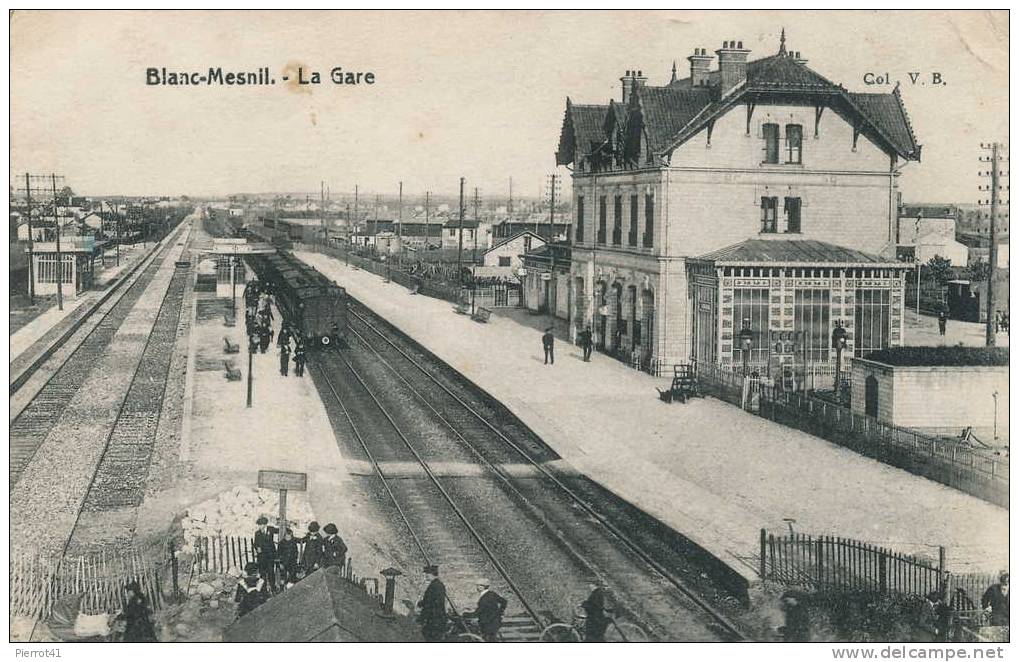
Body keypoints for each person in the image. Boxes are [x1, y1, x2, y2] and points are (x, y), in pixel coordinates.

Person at [417, 565, 448, 642]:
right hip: (438, 617)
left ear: (431, 574)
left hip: (434, 618)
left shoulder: (434, 586)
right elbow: (430, 600)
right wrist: (423, 603)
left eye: (427, 574)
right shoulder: (438, 584)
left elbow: (430, 603)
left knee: (430, 637)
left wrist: (421, 618)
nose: (426, 576)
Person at [253, 516, 278, 589]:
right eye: (259, 525)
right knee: (262, 574)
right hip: (261, 557)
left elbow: (280, 530)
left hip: (270, 556)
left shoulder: (271, 529)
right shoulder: (257, 533)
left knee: (271, 573)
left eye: (261, 525)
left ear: (265, 524)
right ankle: (264, 590)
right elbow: (255, 543)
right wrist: (257, 548)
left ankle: (273, 588)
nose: (259, 526)